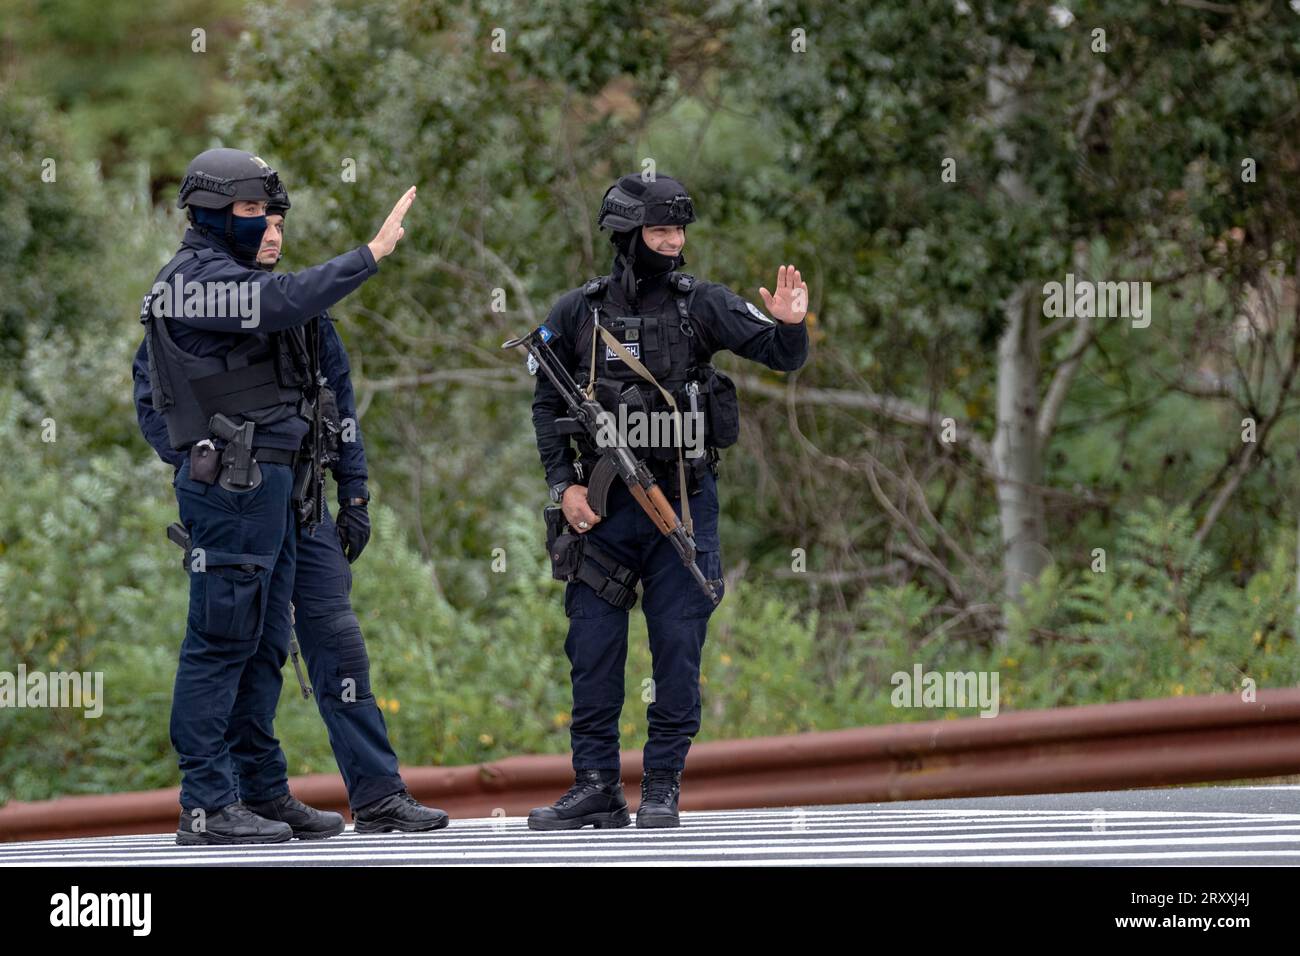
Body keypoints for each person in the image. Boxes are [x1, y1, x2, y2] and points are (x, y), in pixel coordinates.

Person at [134, 188, 448, 838]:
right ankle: (212, 803)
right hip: (238, 493)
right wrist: (202, 458)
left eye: (278, 222)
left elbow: (337, 392)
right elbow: (151, 395)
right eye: (258, 220)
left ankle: (373, 796)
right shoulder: (197, 288)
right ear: (217, 221)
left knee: (325, 641)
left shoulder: (290, 303)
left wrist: (354, 491)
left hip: (301, 495)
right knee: (226, 643)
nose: (273, 233)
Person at [526, 173, 811, 829]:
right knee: (592, 653)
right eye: (659, 231)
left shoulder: (699, 305)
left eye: (678, 231)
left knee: (677, 651)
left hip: (680, 503)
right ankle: (596, 785)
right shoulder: (578, 313)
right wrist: (563, 486)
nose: (672, 243)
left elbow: (777, 353)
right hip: (600, 514)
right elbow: (546, 404)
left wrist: (791, 325)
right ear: (627, 236)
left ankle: (661, 787)